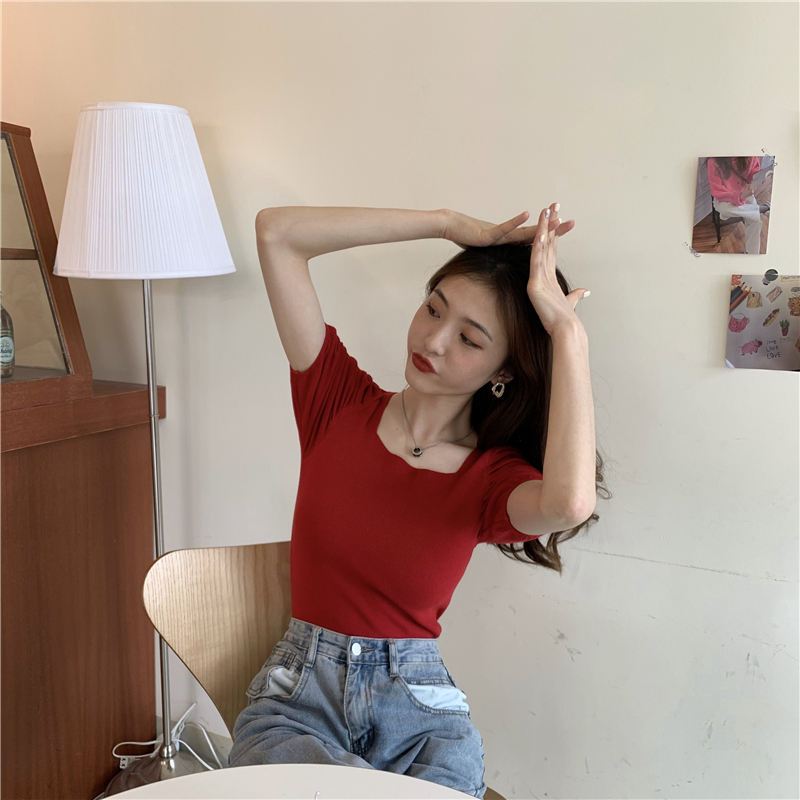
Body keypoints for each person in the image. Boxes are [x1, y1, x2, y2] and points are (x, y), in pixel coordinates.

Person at [227, 204, 607, 798]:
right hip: (297, 709)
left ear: (504, 370)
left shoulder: (490, 479)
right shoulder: (335, 402)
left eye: (468, 339)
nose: (432, 341)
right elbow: (277, 233)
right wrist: (446, 224)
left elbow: (569, 503)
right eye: (433, 308)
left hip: (420, 723)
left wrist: (568, 334)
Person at [707, 156, 770, 254]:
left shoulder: (750, 156)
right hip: (724, 197)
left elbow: (753, 173)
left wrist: (760, 176)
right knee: (724, 209)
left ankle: (751, 254)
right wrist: (740, 196)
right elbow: (718, 192)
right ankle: (761, 209)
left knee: (756, 220)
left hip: (744, 192)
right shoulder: (713, 161)